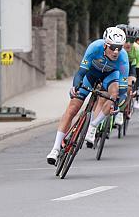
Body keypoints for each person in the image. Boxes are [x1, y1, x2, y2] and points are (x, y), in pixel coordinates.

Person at [46, 27, 129, 164]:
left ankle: (93, 125)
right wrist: (75, 87)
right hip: (92, 74)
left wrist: (116, 103)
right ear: (105, 45)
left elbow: (123, 89)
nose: (116, 51)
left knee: (114, 93)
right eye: (113, 47)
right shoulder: (94, 48)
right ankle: (55, 149)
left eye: (119, 48)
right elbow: (80, 73)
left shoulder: (123, 58)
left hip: (110, 76)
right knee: (73, 108)